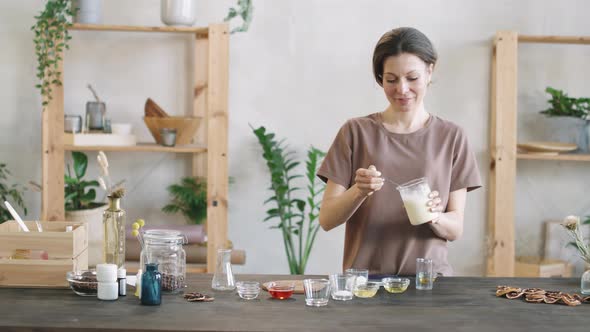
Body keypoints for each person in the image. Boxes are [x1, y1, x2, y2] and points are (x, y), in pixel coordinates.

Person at [316, 27, 481, 276]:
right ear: (380, 78)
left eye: (412, 78)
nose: (402, 89)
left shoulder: (452, 137)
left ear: (430, 71)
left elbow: (455, 228)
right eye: (391, 79)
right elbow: (327, 219)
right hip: (365, 284)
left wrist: (435, 215)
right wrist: (359, 191)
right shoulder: (355, 132)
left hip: (430, 283)